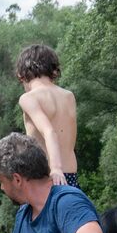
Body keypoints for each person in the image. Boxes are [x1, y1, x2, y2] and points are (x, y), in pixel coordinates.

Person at [16, 44, 80, 189]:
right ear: (54, 70)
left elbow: (49, 131)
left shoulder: (29, 98)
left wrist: (56, 168)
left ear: (21, 75)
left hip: (46, 176)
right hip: (71, 176)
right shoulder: (68, 96)